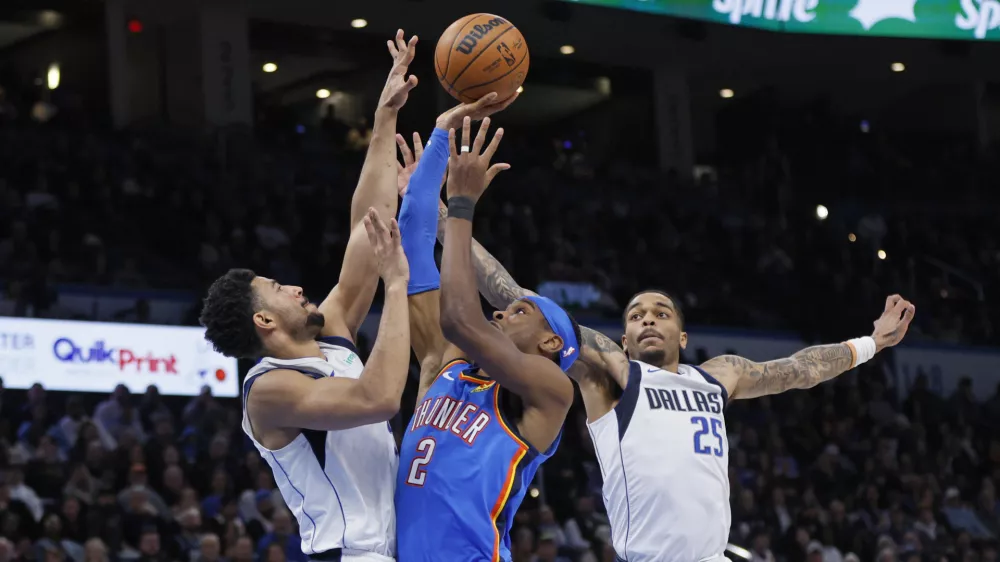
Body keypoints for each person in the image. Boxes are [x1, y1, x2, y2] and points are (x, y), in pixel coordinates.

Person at [403, 139, 917, 561]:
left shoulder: (718, 377)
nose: (648, 317)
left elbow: (799, 369)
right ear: (623, 337)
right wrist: (445, 215)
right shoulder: (609, 373)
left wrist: (870, 342)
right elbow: (515, 297)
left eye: (662, 312)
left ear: (683, 338)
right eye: (635, 315)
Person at [198, 30, 418, 562]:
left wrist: (384, 118)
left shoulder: (333, 338)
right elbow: (379, 400)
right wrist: (395, 284)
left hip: (401, 547)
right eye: (278, 290)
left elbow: (366, 231)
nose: (296, 288)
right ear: (265, 323)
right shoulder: (268, 391)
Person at [393, 115, 581, 562]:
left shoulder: (551, 390)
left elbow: (460, 317)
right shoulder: (446, 365)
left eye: (520, 311)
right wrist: (437, 147)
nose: (500, 310)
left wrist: (461, 206)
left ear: (551, 343)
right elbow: (414, 246)